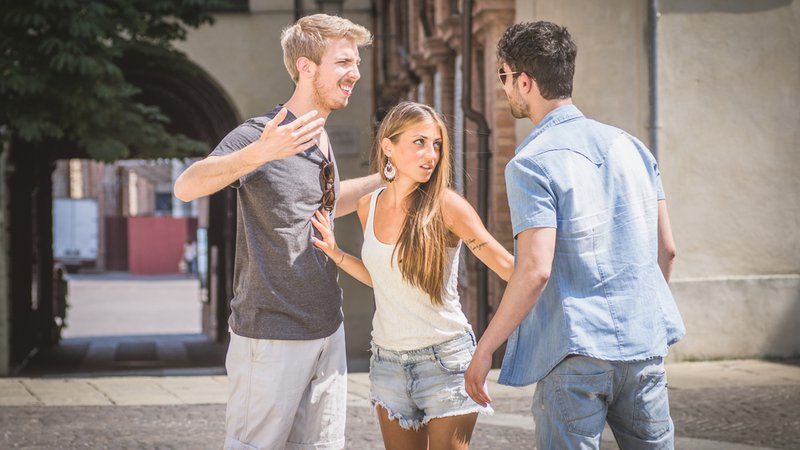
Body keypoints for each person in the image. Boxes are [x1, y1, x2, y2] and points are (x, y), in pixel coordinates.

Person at [464, 21, 686, 449]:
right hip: (643, 346)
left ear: (524, 81)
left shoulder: (530, 164)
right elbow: (669, 251)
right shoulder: (632, 147)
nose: (504, 87)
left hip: (575, 350)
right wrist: (641, 318)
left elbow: (534, 270)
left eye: (503, 76)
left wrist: (486, 348)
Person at [173, 14, 380, 450]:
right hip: (270, 335)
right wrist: (260, 152)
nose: (355, 73)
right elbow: (187, 186)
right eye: (344, 62)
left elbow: (320, 204)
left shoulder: (319, 136)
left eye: (356, 62)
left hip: (327, 329)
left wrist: (387, 179)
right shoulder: (260, 133)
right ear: (307, 67)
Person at [311, 101, 515, 450]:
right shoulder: (367, 206)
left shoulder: (448, 206)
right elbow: (387, 281)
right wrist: (338, 255)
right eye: (419, 142)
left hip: (447, 361)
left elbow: (512, 270)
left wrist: (488, 347)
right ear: (388, 147)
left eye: (436, 144)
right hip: (388, 363)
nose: (431, 154)